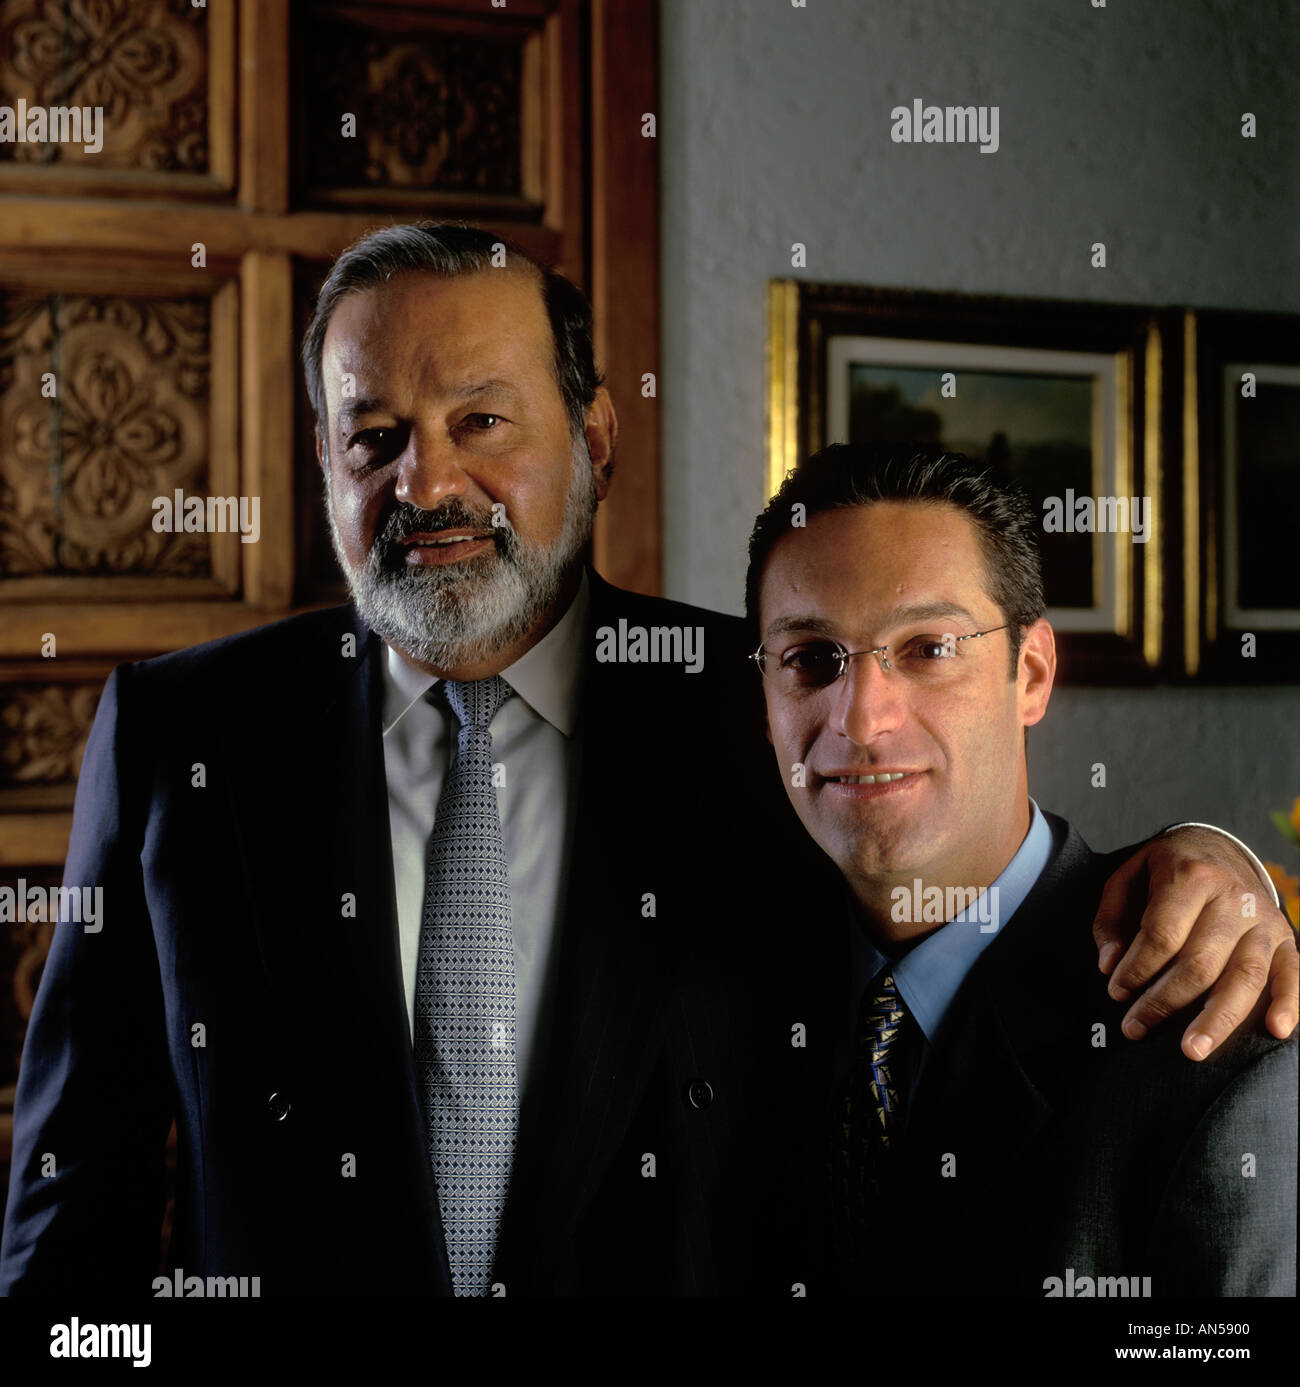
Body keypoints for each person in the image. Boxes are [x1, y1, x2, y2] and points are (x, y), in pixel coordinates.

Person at [1, 226, 1294, 1298]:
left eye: (482, 418)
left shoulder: (765, 707)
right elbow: (73, 1205)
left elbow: (964, 871)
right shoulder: (184, 737)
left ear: (598, 437)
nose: (426, 480)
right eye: (374, 435)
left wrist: (1230, 869)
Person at [744, 443, 1297, 1296]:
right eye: (812, 657)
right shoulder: (718, 970)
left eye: (928, 647)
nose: (859, 719)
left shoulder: (1218, 1046)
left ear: (1030, 673)